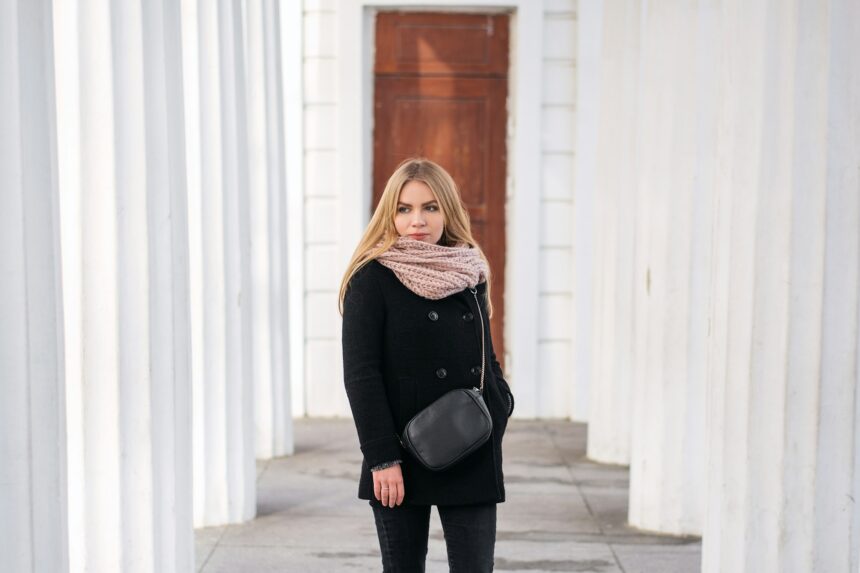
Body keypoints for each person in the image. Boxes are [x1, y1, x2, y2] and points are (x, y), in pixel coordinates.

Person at [338, 157, 515, 572]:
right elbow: (361, 376)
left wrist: (499, 404)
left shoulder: (470, 272)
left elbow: (485, 355)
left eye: (430, 207)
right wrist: (382, 458)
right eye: (405, 208)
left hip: (469, 443)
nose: (417, 219)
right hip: (400, 454)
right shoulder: (371, 279)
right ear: (390, 213)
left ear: (447, 210)